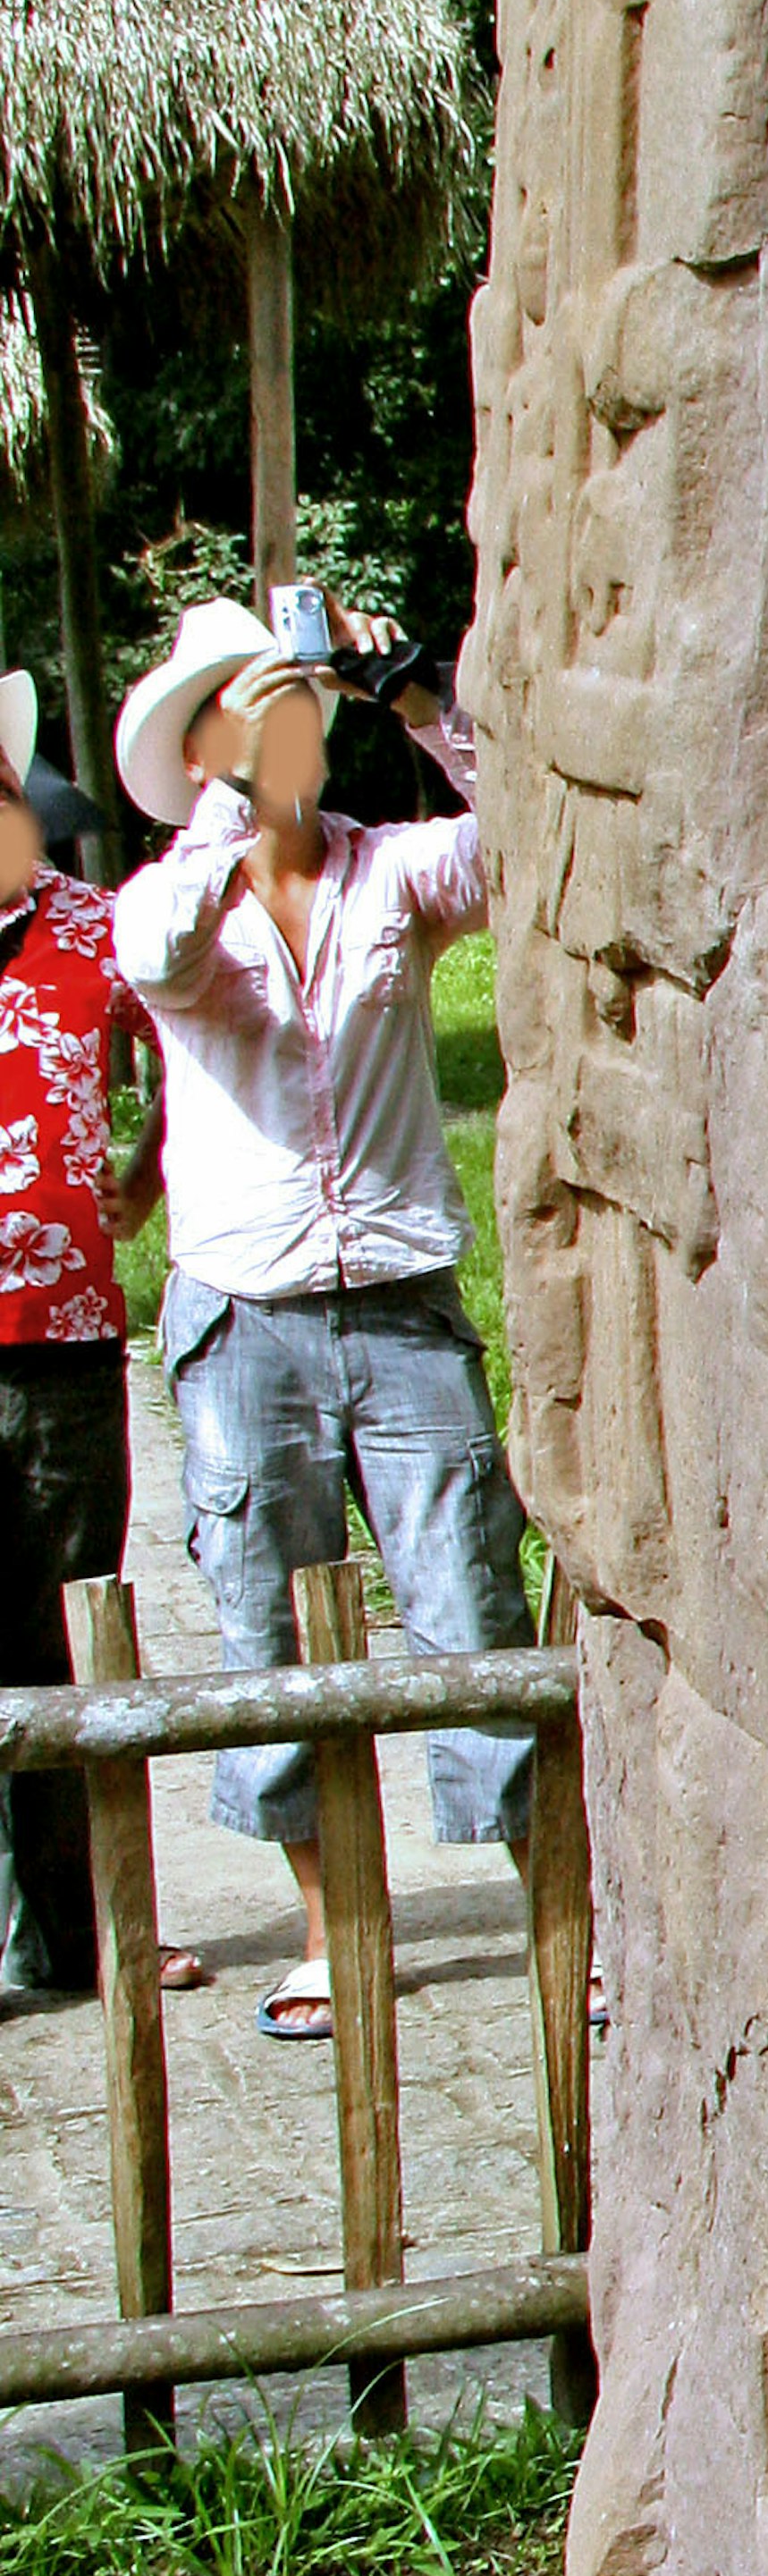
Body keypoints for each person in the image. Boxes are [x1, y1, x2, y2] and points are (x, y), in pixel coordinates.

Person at [113, 593, 538, 2042]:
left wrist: (416, 695)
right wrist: (239, 795)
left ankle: (559, 1911)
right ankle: (328, 1933)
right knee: (273, 1627)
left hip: (403, 1303)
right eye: (254, 710)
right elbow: (159, 953)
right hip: (244, 1314)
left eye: (299, 704)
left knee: (471, 1605)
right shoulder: (177, 897)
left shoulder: (392, 876)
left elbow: (529, 850)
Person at [0, 668, 168, 2002]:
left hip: (61, 1336)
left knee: (69, 1630)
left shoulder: (99, 929)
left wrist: (154, 1159)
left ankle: (89, 1929)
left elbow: (198, 1035)